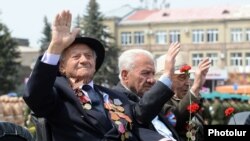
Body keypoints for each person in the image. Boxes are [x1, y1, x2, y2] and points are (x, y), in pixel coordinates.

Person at [23, 10, 176, 141]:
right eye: (76, 57)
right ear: (61, 67)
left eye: (89, 56)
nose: (84, 60)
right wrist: (55, 48)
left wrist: (161, 139)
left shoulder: (113, 95)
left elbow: (137, 120)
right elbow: (35, 95)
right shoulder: (57, 90)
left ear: (95, 64)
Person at [113, 45, 181, 141]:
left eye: (153, 73)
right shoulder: (114, 100)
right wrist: (167, 75)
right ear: (125, 75)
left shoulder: (148, 100)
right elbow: (141, 114)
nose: (152, 80)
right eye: (145, 73)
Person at [159, 52, 211, 141]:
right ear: (166, 79)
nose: (188, 83)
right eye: (182, 78)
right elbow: (175, 120)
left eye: (188, 77)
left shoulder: (193, 100)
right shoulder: (160, 102)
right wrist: (195, 88)